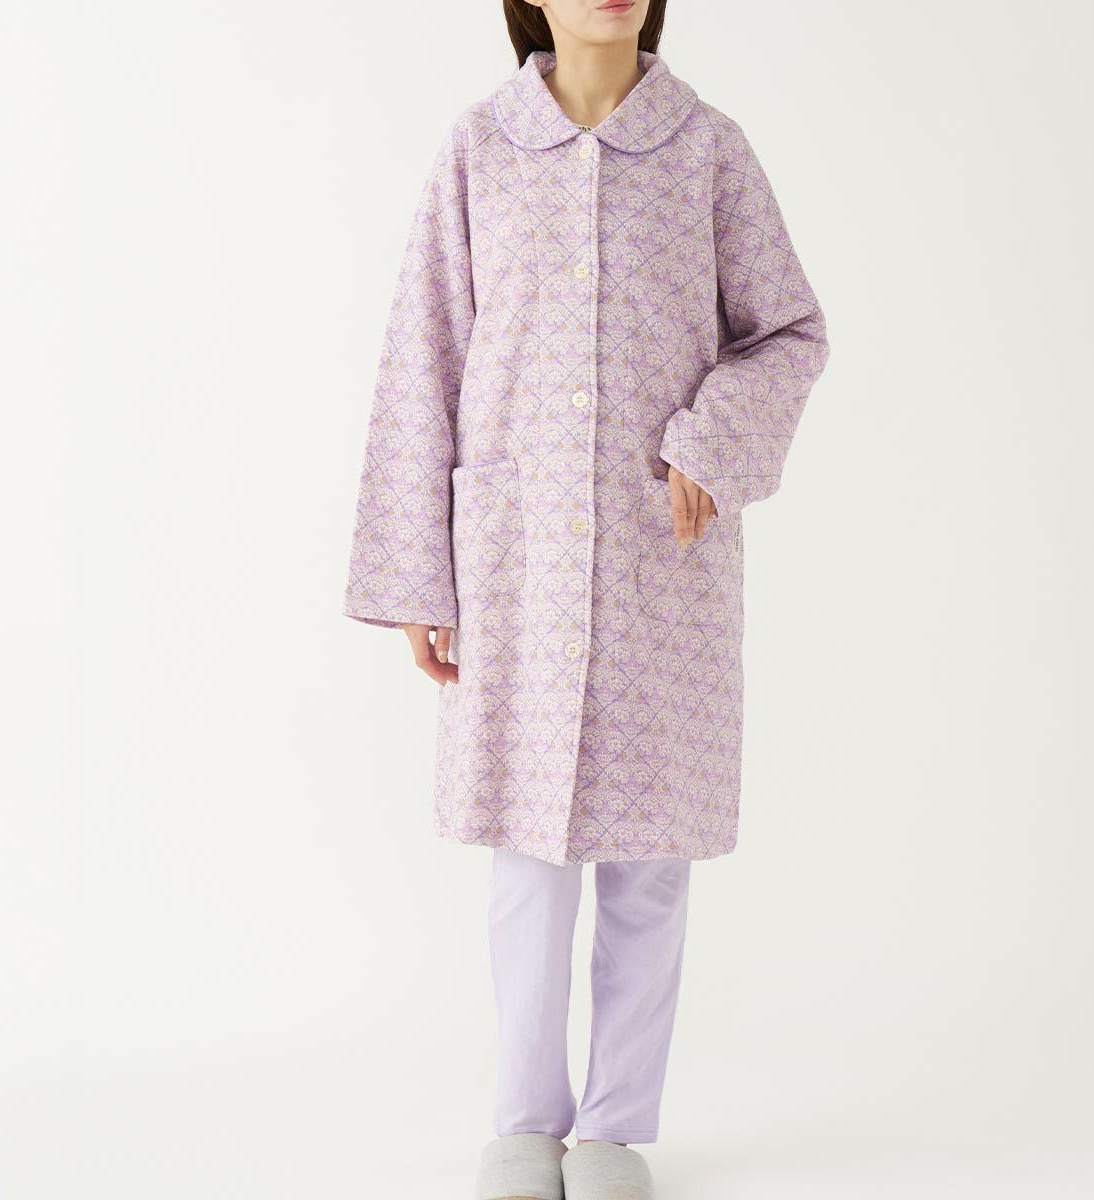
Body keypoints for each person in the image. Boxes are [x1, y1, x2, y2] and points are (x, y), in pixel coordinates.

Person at [343, 1, 829, 1196]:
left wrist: (711, 439)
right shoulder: (480, 148)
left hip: (666, 560)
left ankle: (612, 1130)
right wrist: (419, 569)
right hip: (518, 565)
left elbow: (788, 331)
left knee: (650, 860)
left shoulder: (708, 150)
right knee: (527, 853)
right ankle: (524, 1120)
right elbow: (424, 352)